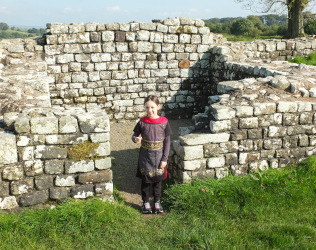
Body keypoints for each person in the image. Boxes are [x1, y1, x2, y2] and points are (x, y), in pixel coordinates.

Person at [132, 95, 172, 214]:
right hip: (145, 157)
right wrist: (135, 139)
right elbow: (134, 135)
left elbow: (168, 141)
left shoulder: (164, 123)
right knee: (145, 181)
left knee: (157, 181)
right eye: (147, 107)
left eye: (152, 107)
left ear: (158, 107)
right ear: (144, 108)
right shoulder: (142, 122)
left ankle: (157, 202)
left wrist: (165, 159)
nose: (150, 110)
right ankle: (146, 203)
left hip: (159, 157)